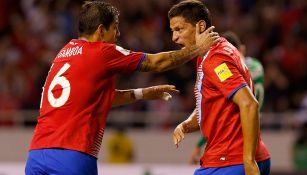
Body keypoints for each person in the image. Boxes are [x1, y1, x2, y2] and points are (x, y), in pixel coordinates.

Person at [25, 1, 220, 175]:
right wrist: (197, 48)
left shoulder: (64, 53)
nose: (118, 34)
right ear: (101, 30)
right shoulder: (102, 51)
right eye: (115, 28)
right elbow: (157, 63)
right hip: (72, 153)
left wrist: (141, 93)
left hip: (36, 154)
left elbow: (93, 98)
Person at [169, 1, 270, 175]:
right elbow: (216, 105)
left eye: (179, 29)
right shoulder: (220, 50)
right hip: (244, 156)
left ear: (200, 26)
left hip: (231, 160)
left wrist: (248, 161)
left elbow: (249, 104)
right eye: (172, 31)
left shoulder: (215, 59)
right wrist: (187, 125)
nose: (174, 38)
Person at [189, 31, 265, 165]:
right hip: (256, 142)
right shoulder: (255, 65)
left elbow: (219, 113)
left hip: (235, 143)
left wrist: (200, 144)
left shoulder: (224, 65)